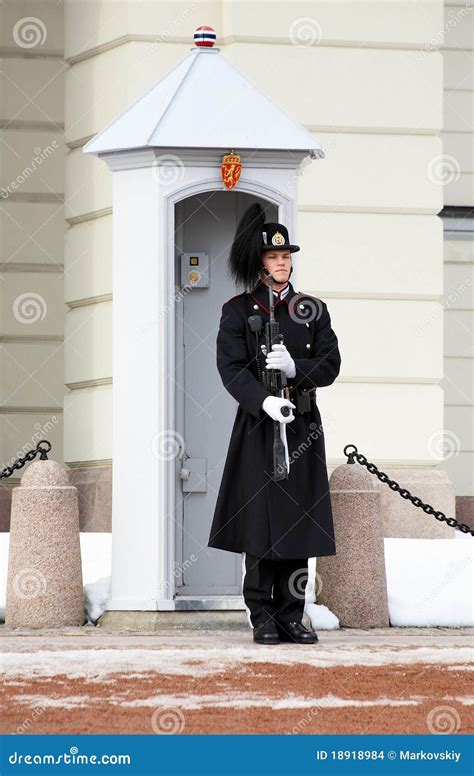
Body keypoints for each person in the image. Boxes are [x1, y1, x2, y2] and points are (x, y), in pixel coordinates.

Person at [207, 203, 341, 644]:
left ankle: (290, 613)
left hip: (301, 423)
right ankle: (262, 614)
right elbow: (231, 368)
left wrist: (294, 371)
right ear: (260, 262)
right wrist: (264, 400)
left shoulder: (312, 309)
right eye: (273, 257)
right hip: (260, 425)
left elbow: (330, 364)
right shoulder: (237, 310)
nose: (282, 263)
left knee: (297, 522)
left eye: (286, 257)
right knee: (261, 523)